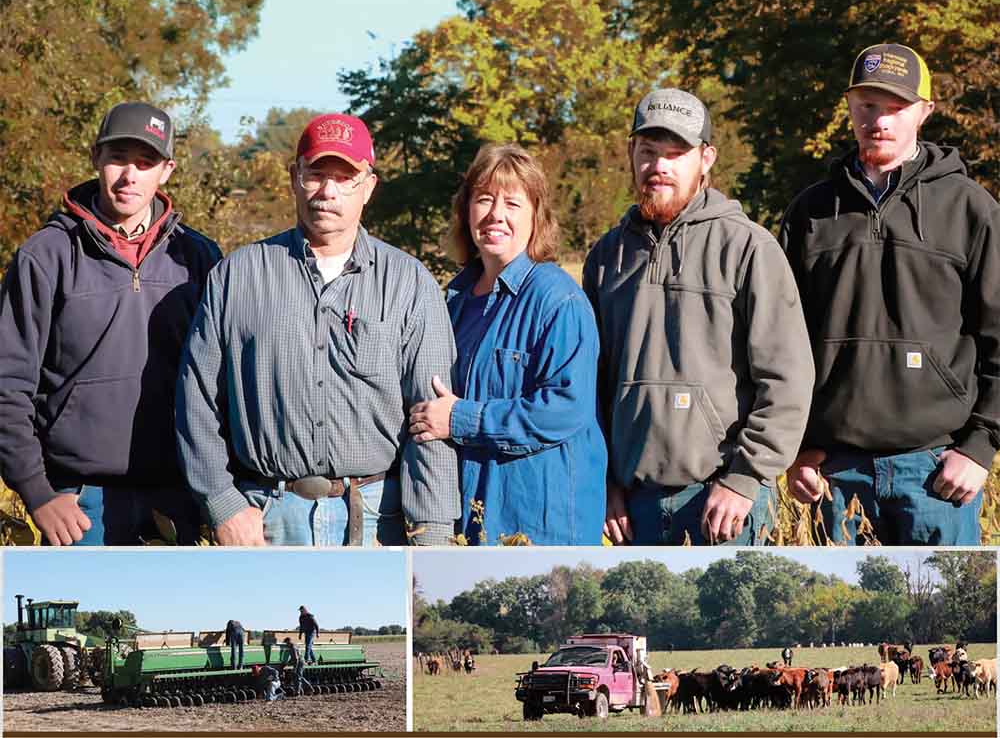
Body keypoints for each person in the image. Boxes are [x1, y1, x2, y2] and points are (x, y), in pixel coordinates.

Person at [176, 113, 460, 546]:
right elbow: (196, 400)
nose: (328, 192)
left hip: (376, 515)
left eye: (345, 178)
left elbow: (429, 421)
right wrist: (222, 504)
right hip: (265, 516)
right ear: (295, 178)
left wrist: (432, 534)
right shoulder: (237, 276)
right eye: (316, 174)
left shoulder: (409, 283)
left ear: (368, 186)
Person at [780, 44, 1000, 545]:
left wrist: (979, 448)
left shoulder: (971, 210)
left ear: (925, 111)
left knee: (941, 615)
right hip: (832, 475)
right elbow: (780, 346)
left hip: (937, 473)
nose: (879, 120)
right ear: (850, 108)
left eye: (896, 107)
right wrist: (797, 449)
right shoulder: (810, 213)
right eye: (867, 105)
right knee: (840, 618)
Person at [583, 88, 814, 545]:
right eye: (648, 152)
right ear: (632, 153)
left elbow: (788, 378)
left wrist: (745, 480)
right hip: (634, 506)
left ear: (706, 158)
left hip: (723, 502)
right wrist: (605, 481)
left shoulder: (749, 247)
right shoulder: (606, 257)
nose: (659, 167)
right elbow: (592, 382)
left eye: (676, 154)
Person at [0, 101, 221, 546]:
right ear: (96, 158)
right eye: (118, 158)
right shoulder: (45, 257)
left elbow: (224, 382)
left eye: (146, 162)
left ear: (167, 170)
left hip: (176, 495)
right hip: (78, 502)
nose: (130, 175)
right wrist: (38, 492)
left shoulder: (199, 258)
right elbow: (7, 382)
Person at [407, 144, 606, 544]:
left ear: (536, 217)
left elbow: (565, 409)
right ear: (466, 212)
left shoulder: (558, 300)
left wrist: (461, 419)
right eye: (484, 200)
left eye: (513, 203)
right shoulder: (457, 300)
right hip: (472, 513)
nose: (496, 214)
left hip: (538, 521)